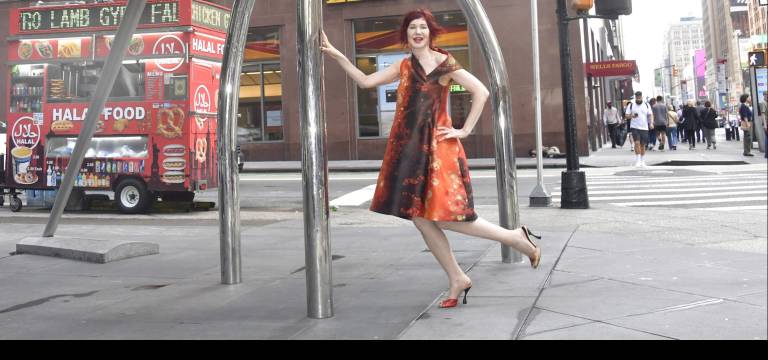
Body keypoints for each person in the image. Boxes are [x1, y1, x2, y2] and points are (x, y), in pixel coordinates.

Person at [321, 8, 542, 309]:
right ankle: (457, 277)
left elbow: (482, 91)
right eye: (412, 27)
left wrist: (464, 130)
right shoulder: (403, 66)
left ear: (430, 32)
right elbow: (364, 81)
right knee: (421, 218)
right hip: (409, 150)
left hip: (439, 151)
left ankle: (515, 238)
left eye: (423, 27)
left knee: (447, 217)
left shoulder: (443, 63)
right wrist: (336, 54)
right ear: (406, 34)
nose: (417, 32)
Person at [625, 91, 653, 167]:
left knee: (642, 145)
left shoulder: (646, 105)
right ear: (635, 97)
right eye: (637, 97)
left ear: (642, 97)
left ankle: (642, 161)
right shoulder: (631, 105)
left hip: (644, 127)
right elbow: (626, 115)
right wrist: (631, 115)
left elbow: (650, 115)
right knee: (637, 143)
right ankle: (637, 160)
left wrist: (651, 123)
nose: (638, 98)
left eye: (639, 97)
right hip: (634, 127)